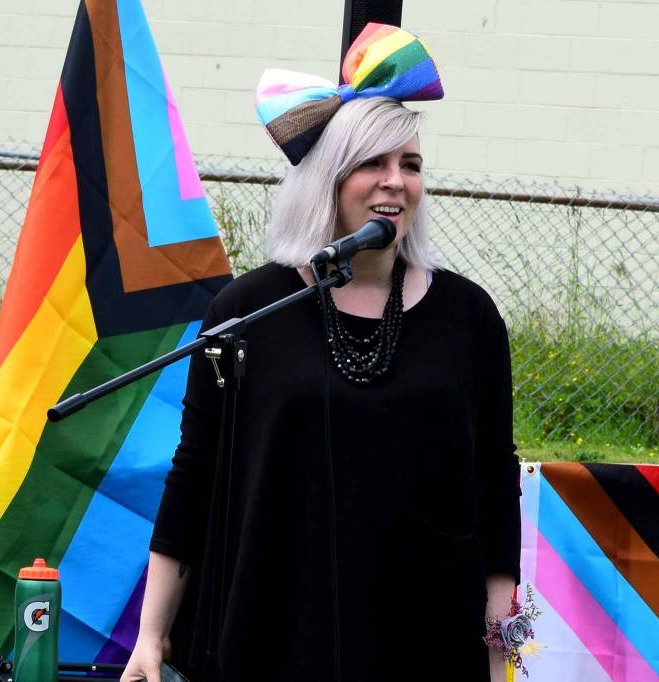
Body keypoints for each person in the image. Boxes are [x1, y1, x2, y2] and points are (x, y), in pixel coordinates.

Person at [122, 24, 521, 682]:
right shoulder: (248, 311)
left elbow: (494, 484)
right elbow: (193, 475)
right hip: (272, 630)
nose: (396, 183)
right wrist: (151, 636)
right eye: (374, 164)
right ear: (328, 181)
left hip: (425, 640)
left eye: (411, 165)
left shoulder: (468, 316)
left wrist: (502, 639)